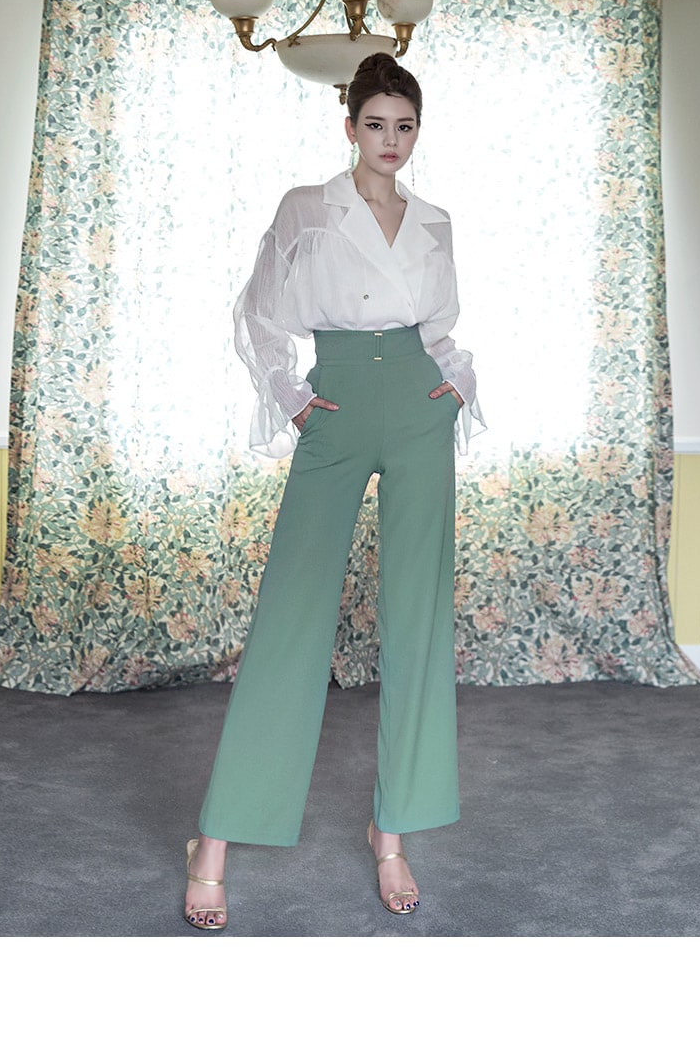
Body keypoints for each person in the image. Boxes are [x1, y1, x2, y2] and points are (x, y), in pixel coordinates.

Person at [184, 52, 485, 931]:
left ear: (417, 132)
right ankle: (214, 841)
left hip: (420, 401)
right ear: (349, 126)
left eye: (405, 126)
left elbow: (441, 327)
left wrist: (457, 386)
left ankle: (392, 835)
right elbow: (258, 314)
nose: (391, 140)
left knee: (419, 617)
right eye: (376, 124)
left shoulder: (435, 222)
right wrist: (293, 399)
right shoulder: (307, 209)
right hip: (340, 396)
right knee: (293, 610)